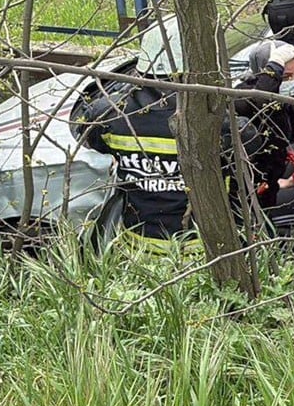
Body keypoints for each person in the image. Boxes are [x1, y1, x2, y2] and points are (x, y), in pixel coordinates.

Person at [71, 16, 259, 250]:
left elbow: (85, 132)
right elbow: (253, 146)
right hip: (200, 250)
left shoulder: (111, 114)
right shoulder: (216, 122)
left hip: (138, 247)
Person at [231, 39, 294, 217]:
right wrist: (275, 63)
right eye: (286, 76)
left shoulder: (283, 101)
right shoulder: (243, 96)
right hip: (246, 185)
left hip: (270, 181)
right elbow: (263, 100)